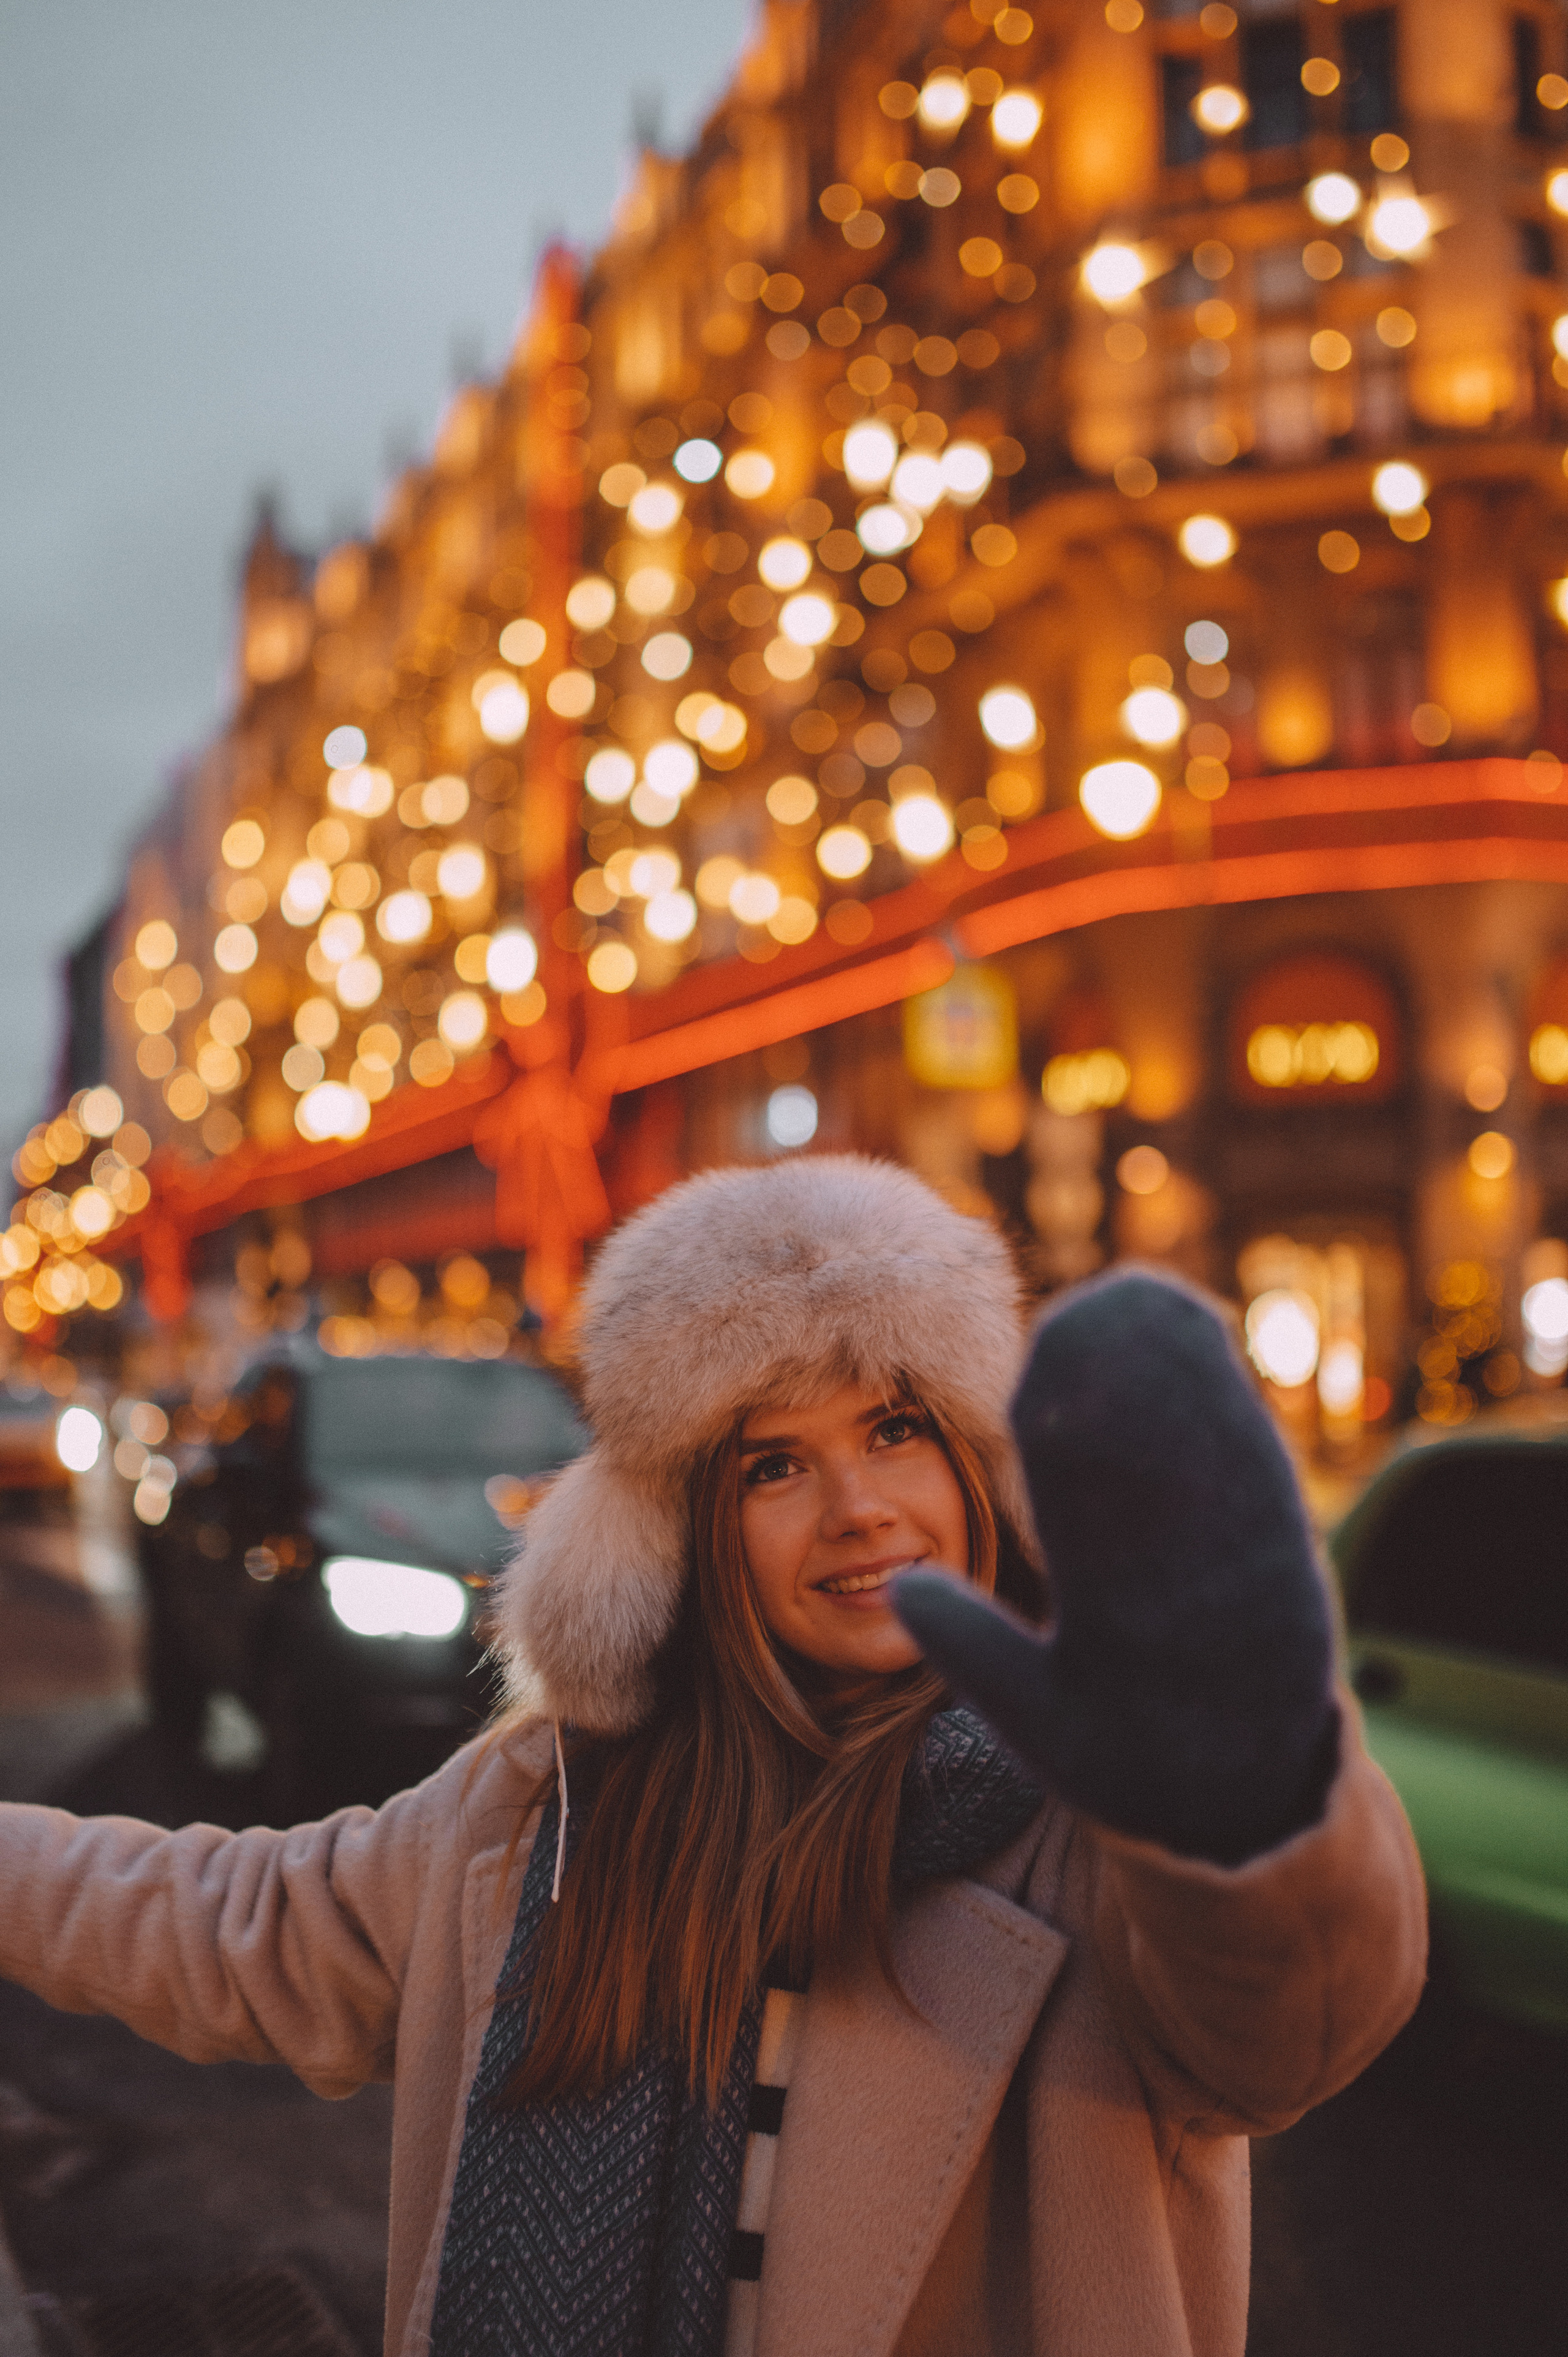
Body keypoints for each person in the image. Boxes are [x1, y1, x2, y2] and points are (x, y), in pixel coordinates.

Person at [0, 1155, 1425, 2357]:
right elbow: (239, 1928)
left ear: (976, 1460)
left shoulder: (1091, 1826)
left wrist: (1248, 1816)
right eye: (772, 1464)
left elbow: (1294, 2027)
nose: (858, 1506)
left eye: (892, 1428)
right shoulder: (546, 1810)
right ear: (687, 1524)